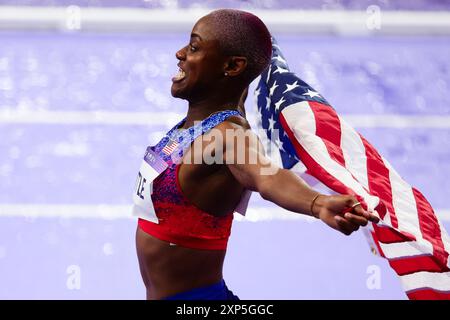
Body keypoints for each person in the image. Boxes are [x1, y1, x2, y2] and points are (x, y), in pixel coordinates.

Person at [134, 9, 379, 300]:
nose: (180, 53)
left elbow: (266, 176)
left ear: (233, 66)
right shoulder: (197, 124)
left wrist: (317, 203)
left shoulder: (228, 137)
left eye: (195, 47)